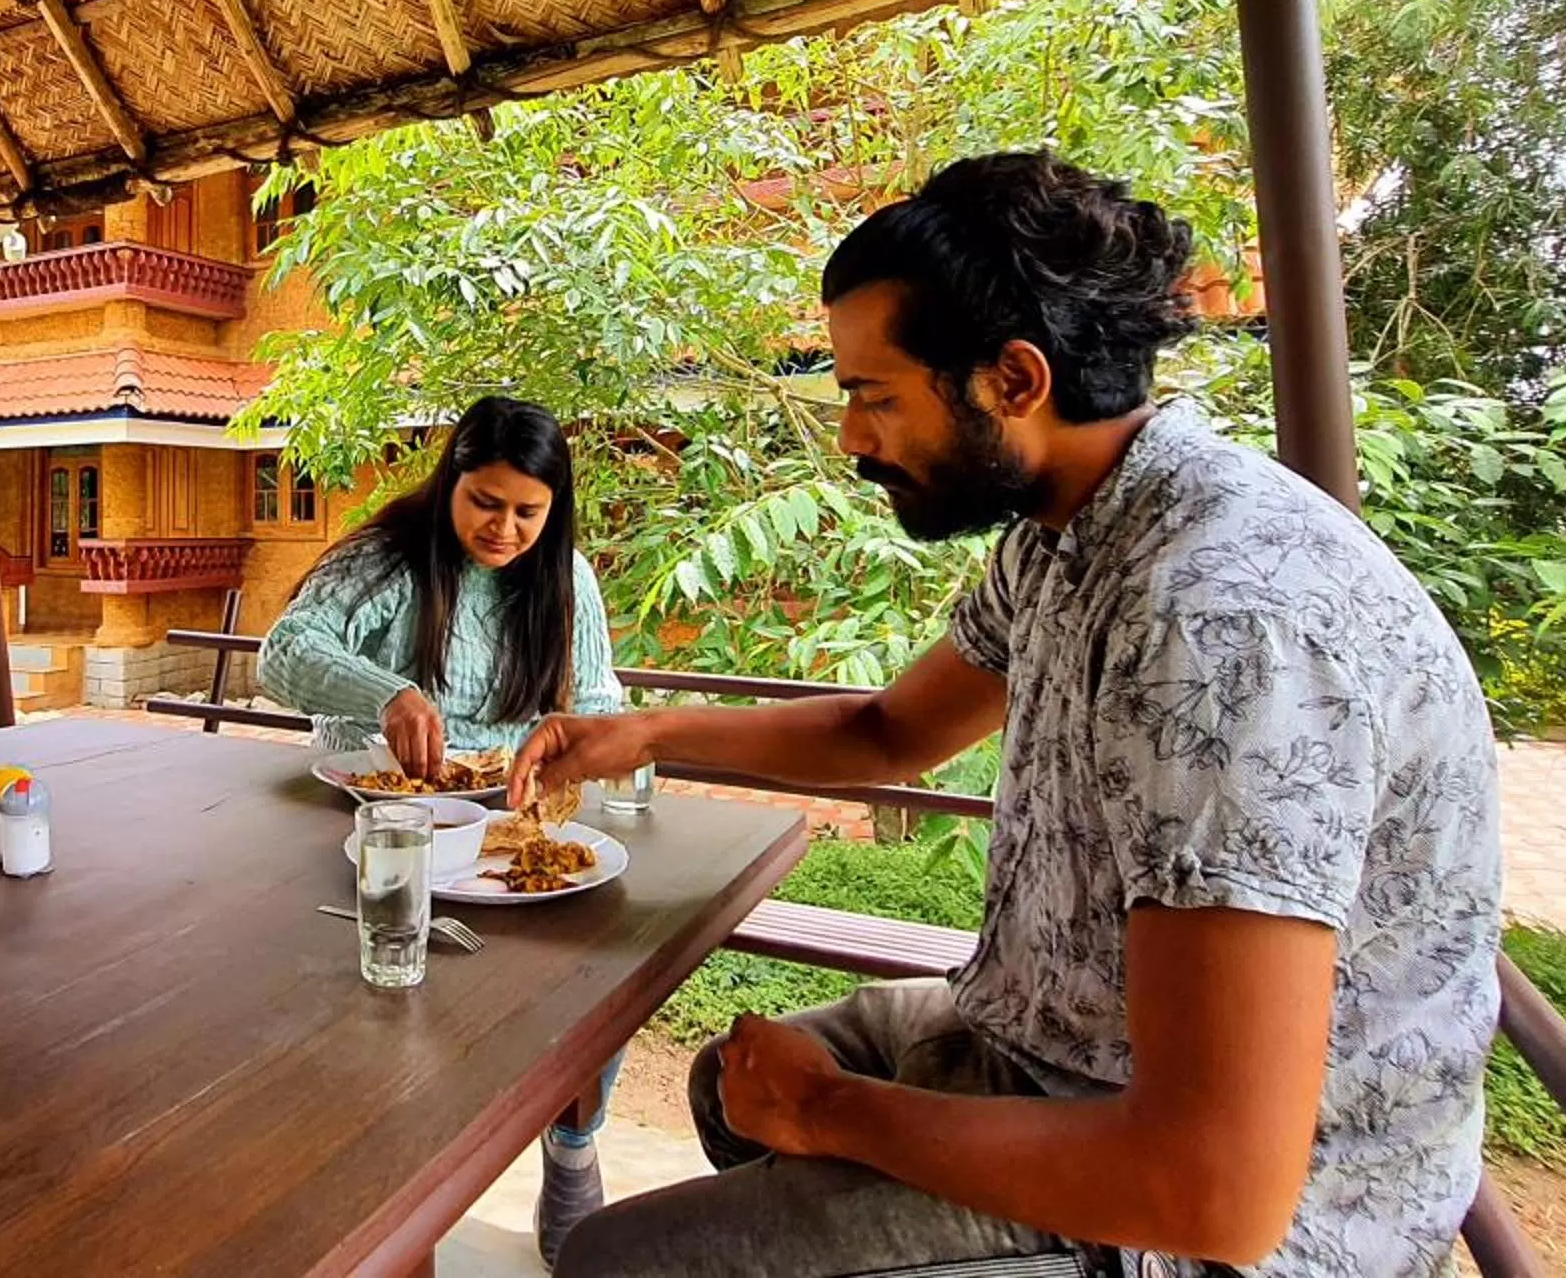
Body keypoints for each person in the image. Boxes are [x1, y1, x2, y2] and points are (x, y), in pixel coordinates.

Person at [513, 153, 1503, 1278]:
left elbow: (1214, 1188)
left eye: (874, 397)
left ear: (1014, 380)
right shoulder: (1071, 530)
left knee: (616, 1262)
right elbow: (888, 732)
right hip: (1059, 1045)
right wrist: (645, 732)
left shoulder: (1218, 620)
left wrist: (830, 1113)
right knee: (729, 1088)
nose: (852, 439)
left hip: (1240, 1221)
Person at [257, 394, 628, 1264]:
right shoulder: (388, 560)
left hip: (509, 835)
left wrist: (586, 745)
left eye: (528, 512)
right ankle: (375, 1188)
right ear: (449, 483)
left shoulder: (565, 578)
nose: (505, 529)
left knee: (601, 966)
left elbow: (598, 702)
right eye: (485, 503)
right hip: (380, 832)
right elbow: (284, 652)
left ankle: (573, 1147)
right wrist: (386, 693)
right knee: (385, 1013)